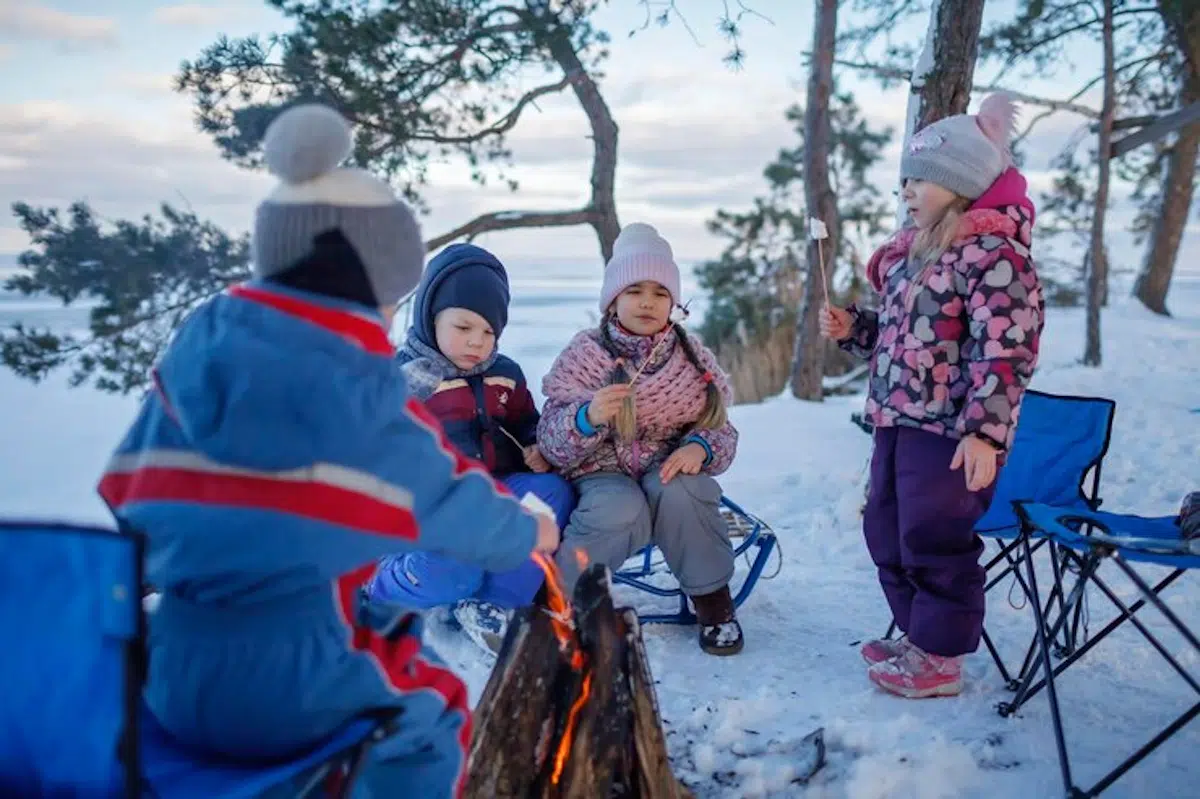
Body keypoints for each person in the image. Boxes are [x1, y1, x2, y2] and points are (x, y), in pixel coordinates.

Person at [97, 103, 558, 796]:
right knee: (428, 717)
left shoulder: (201, 346)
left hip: (172, 658)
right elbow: (432, 491)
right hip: (290, 664)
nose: (385, 321)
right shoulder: (351, 371)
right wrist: (524, 528)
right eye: (386, 299)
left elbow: (128, 486)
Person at [820, 93, 1044, 698]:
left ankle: (940, 656)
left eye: (922, 180)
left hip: (950, 430)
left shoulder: (995, 257)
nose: (908, 192)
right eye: (907, 182)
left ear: (963, 183)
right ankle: (919, 633)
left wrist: (984, 432)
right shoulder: (914, 258)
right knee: (886, 528)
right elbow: (903, 337)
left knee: (933, 534)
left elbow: (1007, 350)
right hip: (896, 419)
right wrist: (857, 330)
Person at [537, 222, 744, 655]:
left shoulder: (691, 358)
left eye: (659, 292)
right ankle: (563, 600)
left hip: (663, 465)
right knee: (617, 507)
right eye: (634, 291)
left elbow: (721, 428)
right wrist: (586, 418)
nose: (647, 302)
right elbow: (551, 441)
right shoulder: (586, 354)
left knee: (685, 491)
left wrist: (699, 447)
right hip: (601, 470)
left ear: (673, 303)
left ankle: (712, 601)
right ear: (613, 300)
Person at [370, 242, 576, 654]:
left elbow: (525, 422)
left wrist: (535, 445)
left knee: (552, 495)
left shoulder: (505, 374)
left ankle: (493, 604)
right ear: (430, 315)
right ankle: (381, 587)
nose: (477, 343)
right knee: (454, 568)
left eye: (489, 332)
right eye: (464, 328)